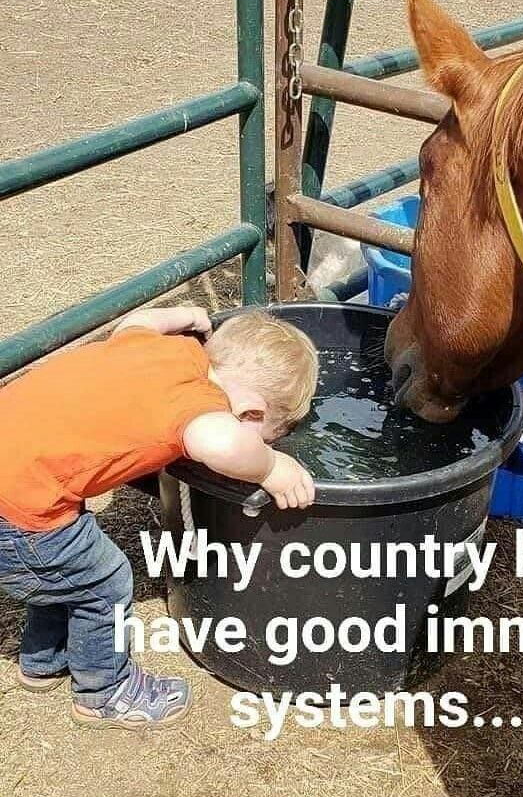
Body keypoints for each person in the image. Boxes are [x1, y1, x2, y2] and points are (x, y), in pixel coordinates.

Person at [0, 305, 318, 730]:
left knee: (66, 574)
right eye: (268, 436)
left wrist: (188, 313)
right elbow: (223, 446)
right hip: (19, 510)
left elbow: (135, 322)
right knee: (102, 582)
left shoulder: (163, 349)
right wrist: (270, 467)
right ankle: (104, 692)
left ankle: (43, 660)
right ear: (251, 415)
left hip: (18, 474)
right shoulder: (200, 407)